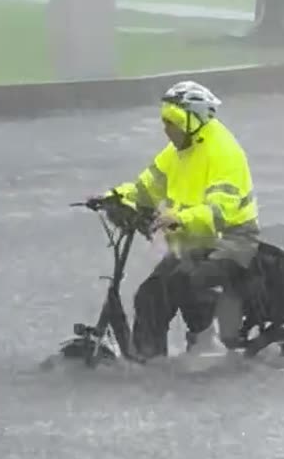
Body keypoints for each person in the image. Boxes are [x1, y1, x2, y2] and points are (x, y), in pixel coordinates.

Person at [94, 80, 261, 360]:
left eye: (172, 122)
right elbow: (145, 188)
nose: (166, 129)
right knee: (149, 296)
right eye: (165, 121)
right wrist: (113, 196)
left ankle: (213, 339)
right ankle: (152, 362)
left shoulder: (223, 152)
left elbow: (221, 213)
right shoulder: (178, 151)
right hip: (195, 242)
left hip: (231, 241)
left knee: (179, 284)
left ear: (191, 121)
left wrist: (179, 218)